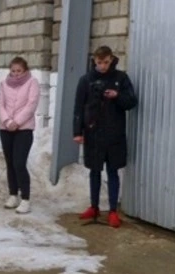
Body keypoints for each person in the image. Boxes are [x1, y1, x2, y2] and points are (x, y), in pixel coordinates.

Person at [73, 46, 138, 228]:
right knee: (94, 170)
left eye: (106, 62)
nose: (102, 66)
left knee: (113, 170)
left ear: (111, 60)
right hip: (93, 132)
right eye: (99, 62)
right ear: (94, 61)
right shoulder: (86, 80)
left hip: (114, 133)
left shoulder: (120, 78)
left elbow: (131, 101)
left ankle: (112, 211)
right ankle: (94, 207)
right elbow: (78, 107)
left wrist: (117, 96)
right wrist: (77, 132)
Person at [0, 57, 41, 215]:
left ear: (25, 70)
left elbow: (31, 104)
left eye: (19, 71)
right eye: (13, 71)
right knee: (10, 162)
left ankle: (26, 198)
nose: (16, 74)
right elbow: (0, 104)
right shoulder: (3, 84)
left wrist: (17, 121)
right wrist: (7, 121)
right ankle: (13, 194)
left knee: (19, 162)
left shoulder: (32, 83)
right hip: (6, 128)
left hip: (24, 129)